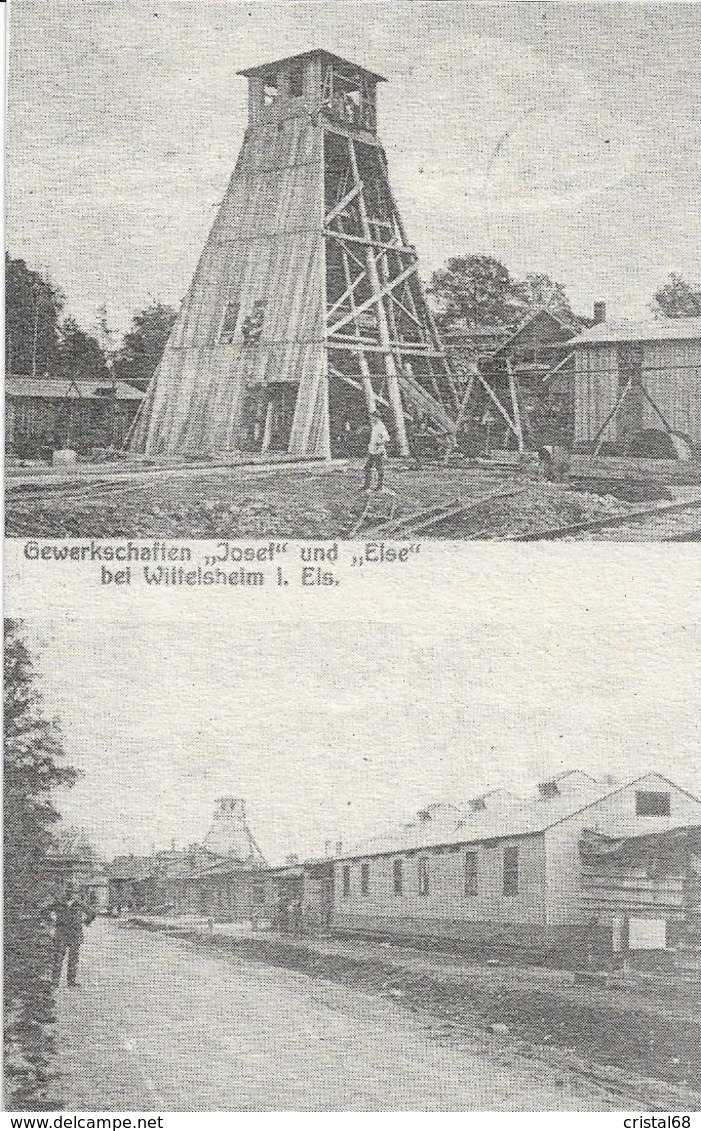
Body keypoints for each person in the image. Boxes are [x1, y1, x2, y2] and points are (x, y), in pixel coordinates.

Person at [46, 883, 96, 988]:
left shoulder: (80, 904)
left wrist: (85, 922)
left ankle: (71, 981)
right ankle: (54, 982)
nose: (72, 894)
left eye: (74, 892)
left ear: (77, 894)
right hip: (61, 934)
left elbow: (92, 913)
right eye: (70, 892)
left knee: (73, 959)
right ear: (66, 892)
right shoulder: (58, 903)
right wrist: (51, 921)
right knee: (58, 959)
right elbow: (44, 911)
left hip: (75, 934)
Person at [364, 410, 390, 492]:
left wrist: (379, 443)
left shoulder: (381, 426)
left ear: (377, 417)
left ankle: (380, 486)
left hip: (378, 450)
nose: (371, 418)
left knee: (379, 468)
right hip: (372, 450)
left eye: (373, 417)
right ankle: (367, 486)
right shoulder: (375, 426)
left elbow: (386, 439)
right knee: (367, 467)